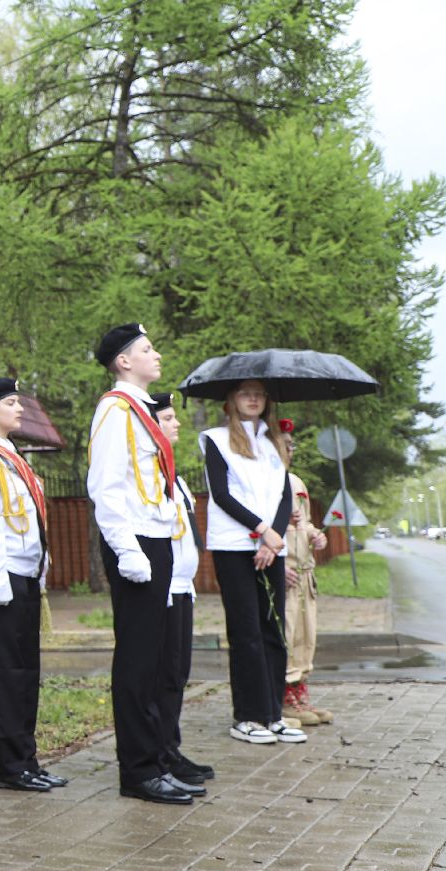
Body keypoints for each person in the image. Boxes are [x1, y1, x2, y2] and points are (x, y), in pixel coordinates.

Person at [86, 324, 193, 805]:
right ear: (123, 362)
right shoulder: (115, 409)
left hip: (156, 538)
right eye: (148, 350)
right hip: (135, 544)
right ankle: (138, 770)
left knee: (153, 659)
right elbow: (105, 486)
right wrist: (126, 549)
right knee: (136, 660)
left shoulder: (141, 411)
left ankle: (156, 759)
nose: (158, 355)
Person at [0, 377, 63, 793]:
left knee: (24, 671)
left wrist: (39, 564)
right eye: (11, 402)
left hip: (22, 574)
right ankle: (9, 766)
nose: (19, 409)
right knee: (3, 674)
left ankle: (27, 758)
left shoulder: (11, 457)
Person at [199, 380, 303, 748]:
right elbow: (222, 494)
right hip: (233, 547)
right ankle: (247, 716)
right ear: (231, 400)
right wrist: (261, 531)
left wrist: (273, 538)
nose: (253, 398)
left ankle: (273, 714)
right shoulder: (215, 439)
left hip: (271, 547)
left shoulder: (273, 443)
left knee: (273, 630)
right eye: (245, 393)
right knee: (246, 633)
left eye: (259, 393)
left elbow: (283, 494)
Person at [151, 394, 214, 787]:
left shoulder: (175, 475)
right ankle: (157, 753)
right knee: (161, 674)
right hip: (163, 588)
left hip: (183, 587)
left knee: (177, 673)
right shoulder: (149, 474)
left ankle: (170, 749)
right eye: (168, 418)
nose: (176, 424)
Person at [278, 430, 332, 724]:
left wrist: (315, 536)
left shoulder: (296, 482)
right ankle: (285, 696)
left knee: (306, 634)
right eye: (284, 445)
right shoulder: (264, 483)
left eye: (291, 445)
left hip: (305, 573)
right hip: (285, 572)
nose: (290, 450)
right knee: (287, 635)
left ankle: (300, 692)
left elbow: (306, 521)